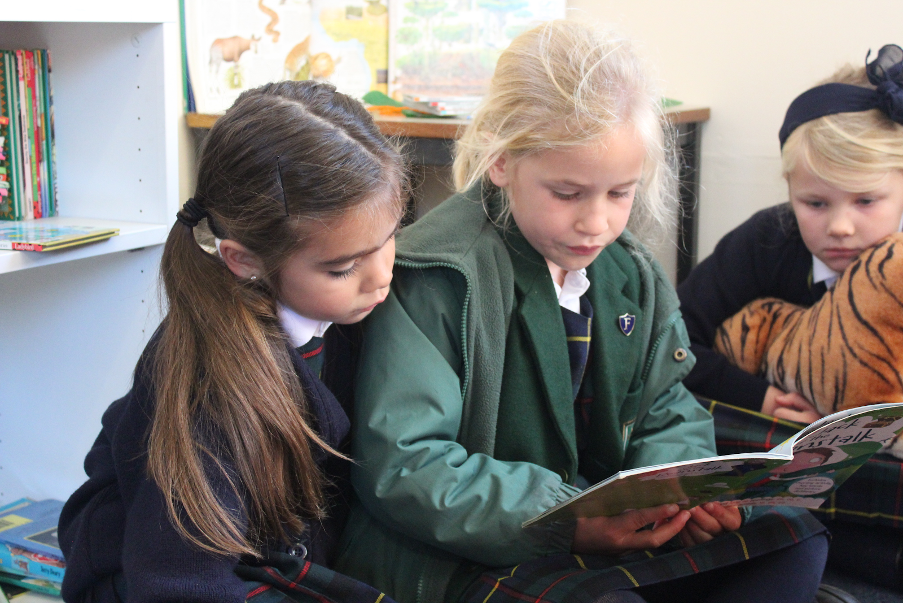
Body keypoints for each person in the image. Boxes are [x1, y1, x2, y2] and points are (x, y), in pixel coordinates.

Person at [334, 20, 828, 603]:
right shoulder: (439, 277)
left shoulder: (630, 273)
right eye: (567, 194)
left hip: (603, 530)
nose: (597, 223)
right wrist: (568, 520)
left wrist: (684, 491)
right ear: (501, 160)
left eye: (620, 193)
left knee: (796, 540)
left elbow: (664, 407)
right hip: (471, 552)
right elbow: (406, 464)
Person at [58, 80, 406, 602]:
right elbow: (177, 582)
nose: (382, 276)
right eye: (343, 268)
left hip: (266, 557)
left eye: (389, 239)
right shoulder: (212, 390)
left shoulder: (340, 307)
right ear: (244, 260)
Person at [677, 45, 902, 587]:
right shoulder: (766, 239)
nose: (840, 227)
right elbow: (671, 342)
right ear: (789, 191)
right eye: (815, 204)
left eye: (866, 201)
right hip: (786, 456)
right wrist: (756, 395)